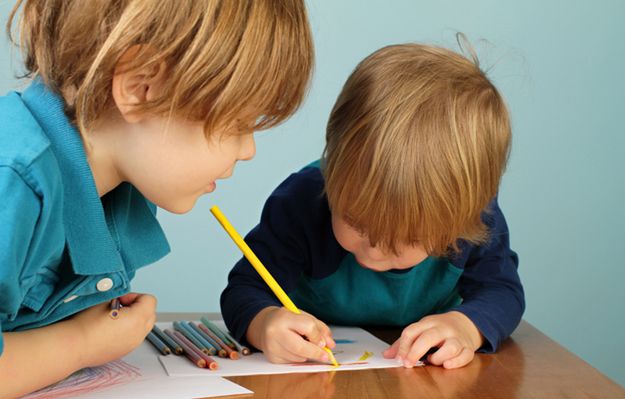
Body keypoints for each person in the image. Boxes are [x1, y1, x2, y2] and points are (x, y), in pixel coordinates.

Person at [0, 0, 313, 396]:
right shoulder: (12, 178)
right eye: (237, 124)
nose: (248, 150)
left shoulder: (124, 186)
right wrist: (82, 344)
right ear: (140, 87)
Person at [221, 40, 524, 370]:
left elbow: (502, 290)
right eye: (356, 221)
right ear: (333, 173)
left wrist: (466, 327)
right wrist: (265, 324)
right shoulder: (301, 201)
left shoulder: (474, 216)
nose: (375, 252)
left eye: (405, 239)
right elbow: (244, 289)